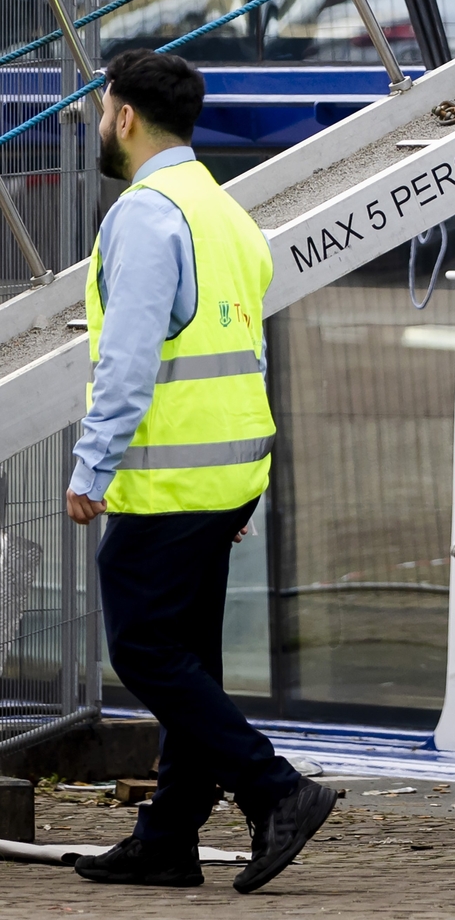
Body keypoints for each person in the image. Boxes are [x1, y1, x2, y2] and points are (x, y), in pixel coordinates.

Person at [63, 49, 335, 893]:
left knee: (144, 648)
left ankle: (275, 789)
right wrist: (246, 476)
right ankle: (169, 837)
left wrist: (91, 466)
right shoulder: (224, 212)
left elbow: (130, 361)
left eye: (103, 109)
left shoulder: (145, 216)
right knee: (191, 660)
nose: (100, 124)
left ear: (125, 117)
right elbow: (244, 349)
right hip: (223, 475)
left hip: (169, 483)